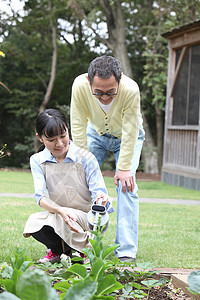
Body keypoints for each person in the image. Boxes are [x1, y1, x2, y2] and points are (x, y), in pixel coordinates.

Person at [70, 55, 145, 261]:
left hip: (127, 138)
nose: (104, 98)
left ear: (120, 81)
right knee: (78, 180)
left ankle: (126, 253)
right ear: (89, 81)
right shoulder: (79, 85)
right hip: (95, 135)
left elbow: (130, 131)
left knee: (126, 185)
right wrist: (81, 163)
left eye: (111, 92)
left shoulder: (131, 89)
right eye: (99, 93)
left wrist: (123, 168)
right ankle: (76, 244)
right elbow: (77, 125)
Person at [23, 108, 113, 263]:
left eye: (63, 136)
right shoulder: (37, 160)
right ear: (40, 138)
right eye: (51, 140)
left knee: (62, 219)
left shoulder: (85, 158)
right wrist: (60, 211)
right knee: (34, 222)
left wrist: (102, 200)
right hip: (57, 214)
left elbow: (99, 194)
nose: (59, 144)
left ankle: (85, 249)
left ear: (67, 130)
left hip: (84, 218)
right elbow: (41, 197)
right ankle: (58, 251)